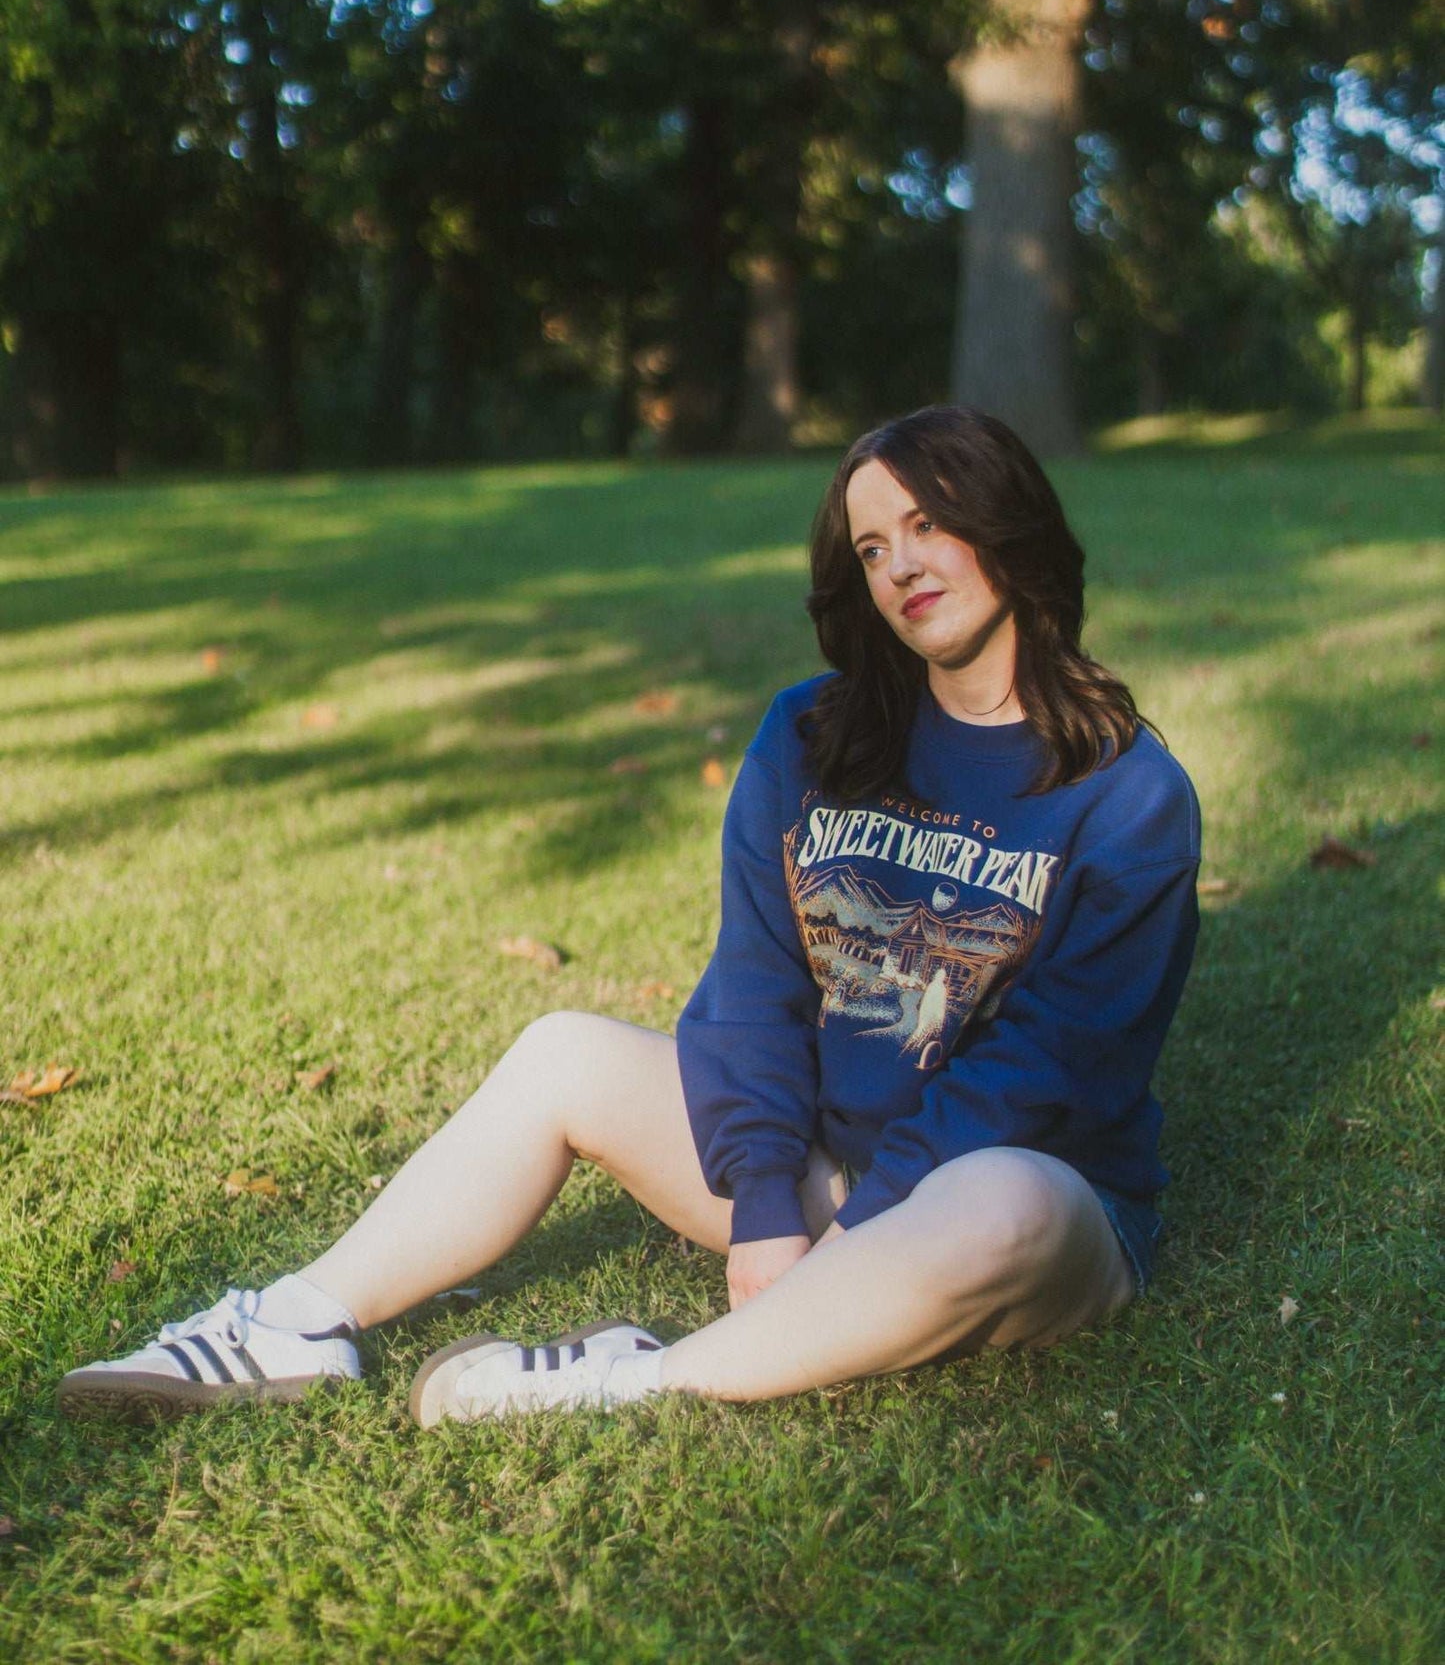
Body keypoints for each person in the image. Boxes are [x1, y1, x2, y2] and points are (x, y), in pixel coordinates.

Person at [58, 405, 1200, 1427]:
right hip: (823, 1174)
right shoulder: (813, 735)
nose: (898, 564)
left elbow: (1051, 1063)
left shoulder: (1127, 791)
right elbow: (754, 985)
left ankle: (627, 1379)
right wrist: (766, 1203)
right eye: (869, 546)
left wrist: (861, 1230)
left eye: (924, 524)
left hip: (1014, 1203)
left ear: (1004, 526)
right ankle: (288, 1320)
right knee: (563, 1053)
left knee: (1002, 1203)